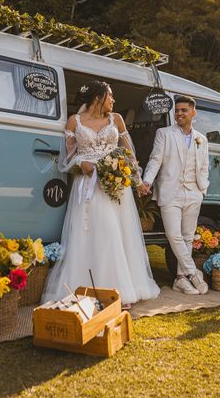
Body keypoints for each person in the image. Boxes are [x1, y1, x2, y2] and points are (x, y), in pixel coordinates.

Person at [41, 81, 160, 306]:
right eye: (110, 96)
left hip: (115, 185)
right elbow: (66, 158)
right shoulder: (74, 121)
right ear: (98, 97)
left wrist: (136, 181)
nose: (113, 101)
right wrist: (81, 162)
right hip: (87, 185)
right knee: (89, 234)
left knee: (114, 232)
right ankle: (85, 287)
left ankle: (119, 289)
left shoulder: (116, 119)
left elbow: (128, 154)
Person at [140, 96, 210, 295]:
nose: (179, 113)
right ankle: (193, 273)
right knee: (174, 235)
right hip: (170, 192)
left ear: (193, 113)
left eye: (183, 110)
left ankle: (180, 278)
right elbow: (155, 160)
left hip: (194, 192)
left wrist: (202, 190)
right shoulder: (164, 134)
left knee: (188, 236)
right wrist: (147, 181)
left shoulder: (201, 139)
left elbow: (204, 166)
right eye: (177, 110)